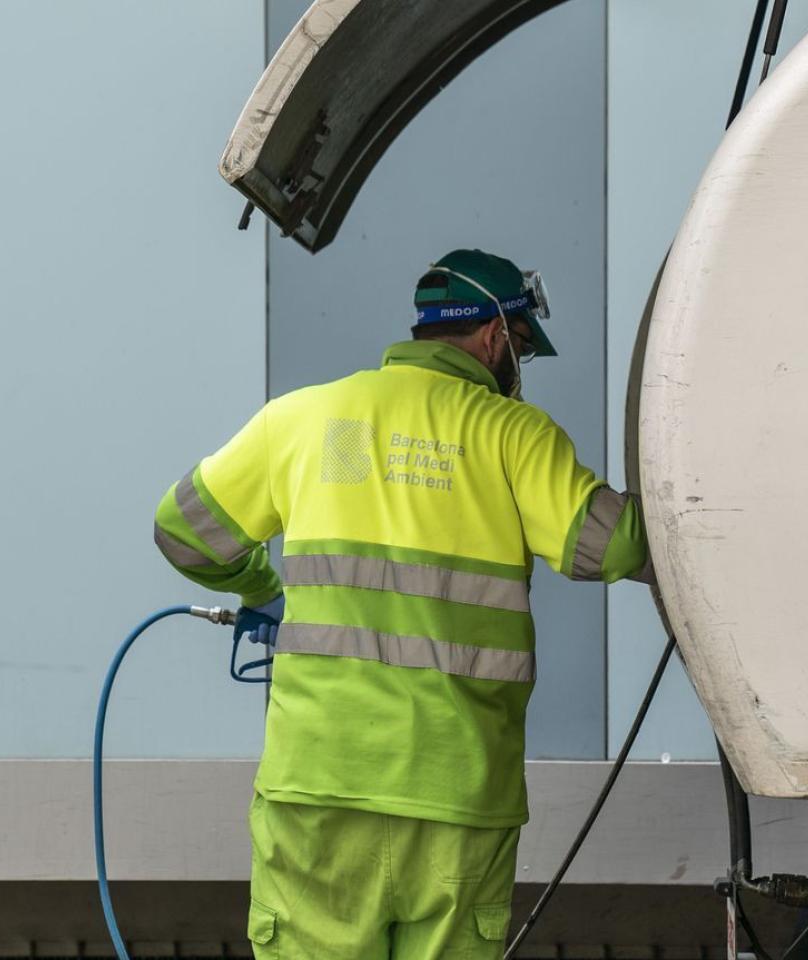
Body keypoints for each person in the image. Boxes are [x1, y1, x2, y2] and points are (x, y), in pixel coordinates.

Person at [153, 248, 653, 959]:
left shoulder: (305, 417)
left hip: (321, 790)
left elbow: (182, 533)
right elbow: (613, 549)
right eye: (519, 347)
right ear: (493, 338)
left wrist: (267, 593)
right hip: (458, 799)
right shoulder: (511, 434)